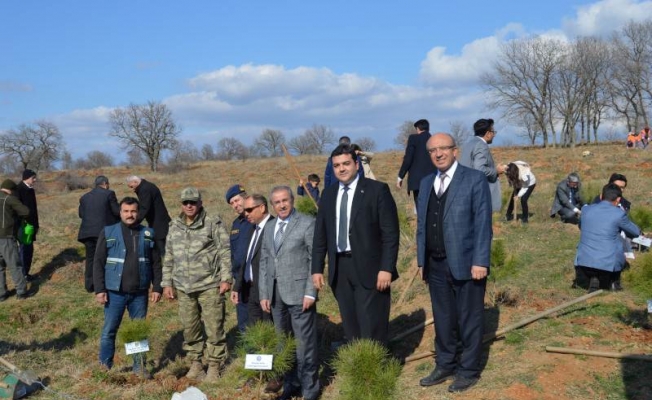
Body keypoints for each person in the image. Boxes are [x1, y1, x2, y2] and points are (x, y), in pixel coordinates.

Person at [416, 133, 492, 393]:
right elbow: (422, 225)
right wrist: (420, 260)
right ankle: (445, 363)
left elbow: (483, 224)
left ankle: (468, 370)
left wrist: (480, 260)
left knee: (469, 318)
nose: (438, 154)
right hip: (435, 264)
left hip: (468, 263)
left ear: (455, 150)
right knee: (443, 318)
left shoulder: (474, 179)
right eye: (432, 150)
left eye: (443, 149)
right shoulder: (426, 183)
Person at [312, 144, 399, 345]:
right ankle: (358, 367)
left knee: (372, 322)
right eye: (336, 165)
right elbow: (320, 235)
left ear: (356, 164)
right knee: (350, 322)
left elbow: (390, 234)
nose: (341, 169)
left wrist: (386, 268)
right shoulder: (329, 194)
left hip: (370, 267)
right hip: (340, 268)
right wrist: (316, 268)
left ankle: (376, 368)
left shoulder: (377, 190)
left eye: (346, 164)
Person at [162, 188, 231, 382]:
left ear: (200, 203)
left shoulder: (212, 222)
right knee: (189, 328)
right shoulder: (174, 226)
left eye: (193, 202)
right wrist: (167, 283)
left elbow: (225, 251)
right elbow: (169, 256)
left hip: (210, 285)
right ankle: (196, 364)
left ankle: (215, 366)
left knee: (214, 327)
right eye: (186, 202)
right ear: (181, 204)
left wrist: (226, 278)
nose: (189, 206)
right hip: (183, 287)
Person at [259, 186, 319, 400]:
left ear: (292, 200)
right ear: (272, 205)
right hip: (276, 297)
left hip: (300, 294)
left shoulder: (306, 223)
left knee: (304, 345)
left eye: (285, 200)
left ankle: (309, 389)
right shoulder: (269, 227)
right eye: (277, 202)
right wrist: (264, 293)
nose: (282, 205)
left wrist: (311, 292)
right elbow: (265, 261)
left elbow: (315, 259)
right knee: (283, 344)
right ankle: (291, 384)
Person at [93, 197, 162, 376]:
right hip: (114, 293)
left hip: (139, 293)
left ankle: (139, 368)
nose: (130, 215)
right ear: (120, 212)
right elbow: (98, 262)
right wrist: (100, 289)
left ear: (138, 213)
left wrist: (157, 287)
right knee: (109, 331)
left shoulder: (147, 233)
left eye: (133, 211)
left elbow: (156, 263)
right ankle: (104, 367)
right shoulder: (109, 232)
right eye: (126, 211)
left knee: (138, 332)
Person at [575, 183, 640, 292]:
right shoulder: (619, 214)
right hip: (608, 264)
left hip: (583, 263)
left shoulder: (586, 210)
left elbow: (581, 226)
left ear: (601, 196)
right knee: (618, 242)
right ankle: (614, 282)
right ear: (618, 199)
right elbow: (635, 232)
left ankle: (594, 278)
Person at [231, 194, 274, 326]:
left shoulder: (274, 228)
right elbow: (246, 260)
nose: (246, 213)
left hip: (267, 291)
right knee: (255, 332)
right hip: (250, 290)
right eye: (245, 210)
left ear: (262, 208)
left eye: (249, 210)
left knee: (270, 330)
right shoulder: (253, 229)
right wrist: (237, 286)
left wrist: (266, 292)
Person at [78, 176, 120, 292]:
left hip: (86, 233)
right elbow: (117, 211)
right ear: (105, 184)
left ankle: (89, 285)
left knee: (90, 258)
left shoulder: (84, 197)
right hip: (102, 232)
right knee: (103, 258)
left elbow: (81, 214)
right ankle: (102, 285)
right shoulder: (109, 194)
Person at [459, 118, 506, 213]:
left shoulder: (468, 144)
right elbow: (480, 169)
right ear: (488, 133)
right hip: (478, 196)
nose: (494, 135)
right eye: (493, 132)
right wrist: (496, 171)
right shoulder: (481, 145)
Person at [226, 184, 254, 332]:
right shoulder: (236, 224)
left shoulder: (258, 219)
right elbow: (234, 254)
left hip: (256, 281)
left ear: (245, 197)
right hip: (240, 282)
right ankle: (249, 353)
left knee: (260, 320)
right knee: (243, 322)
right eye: (232, 203)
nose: (235, 205)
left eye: (237, 200)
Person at [126, 176, 171, 257]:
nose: (132, 189)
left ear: (135, 182)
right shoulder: (147, 186)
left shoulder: (144, 189)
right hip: (158, 220)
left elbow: (144, 208)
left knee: (161, 247)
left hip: (158, 222)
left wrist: (135, 221)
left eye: (132, 186)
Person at [0, 179, 30, 301]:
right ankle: (21, 292)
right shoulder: (9, 198)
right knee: (14, 265)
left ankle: (2, 294)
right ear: (11, 189)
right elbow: (26, 211)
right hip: (6, 237)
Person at [397, 119, 433, 207]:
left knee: (421, 210)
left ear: (418, 128)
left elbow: (408, 159)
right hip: (434, 180)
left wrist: (400, 176)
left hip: (418, 181)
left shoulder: (413, 139)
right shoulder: (434, 139)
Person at [17, 169, 39, 281]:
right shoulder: (19, 190)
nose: (34, 180)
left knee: (29, 249)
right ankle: (22, 275)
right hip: (24, 226)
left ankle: (26, 272)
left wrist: (36, 225)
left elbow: (34, 210)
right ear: (26, 178)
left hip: (31, 226)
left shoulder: (31, 190)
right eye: (33, 178)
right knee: (24, 249)